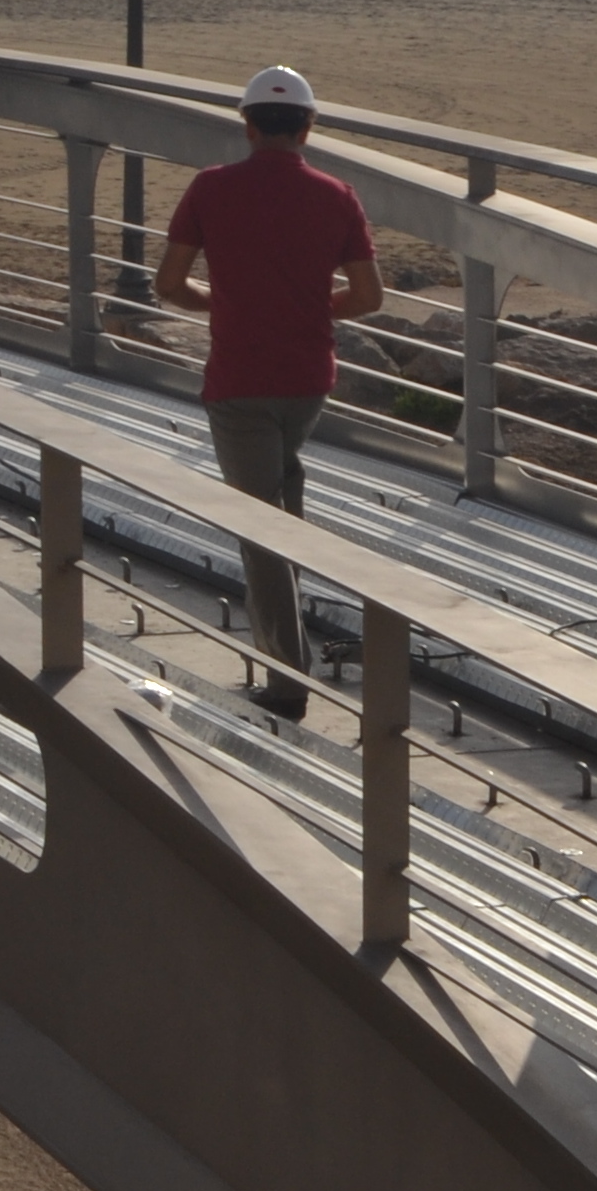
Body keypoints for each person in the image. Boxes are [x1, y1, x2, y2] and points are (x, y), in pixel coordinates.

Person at [151, 67, 385, 715]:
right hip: (308, 380)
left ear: (248, 125)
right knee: (281, 507)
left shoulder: (211, 188)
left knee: (258, 528)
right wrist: (304, 308)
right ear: (308, 129)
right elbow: (367, 296)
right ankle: (286, 651)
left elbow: (168, 284)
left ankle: (287, 682)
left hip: (239, 382)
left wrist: (225, 303)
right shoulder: (337, 195)